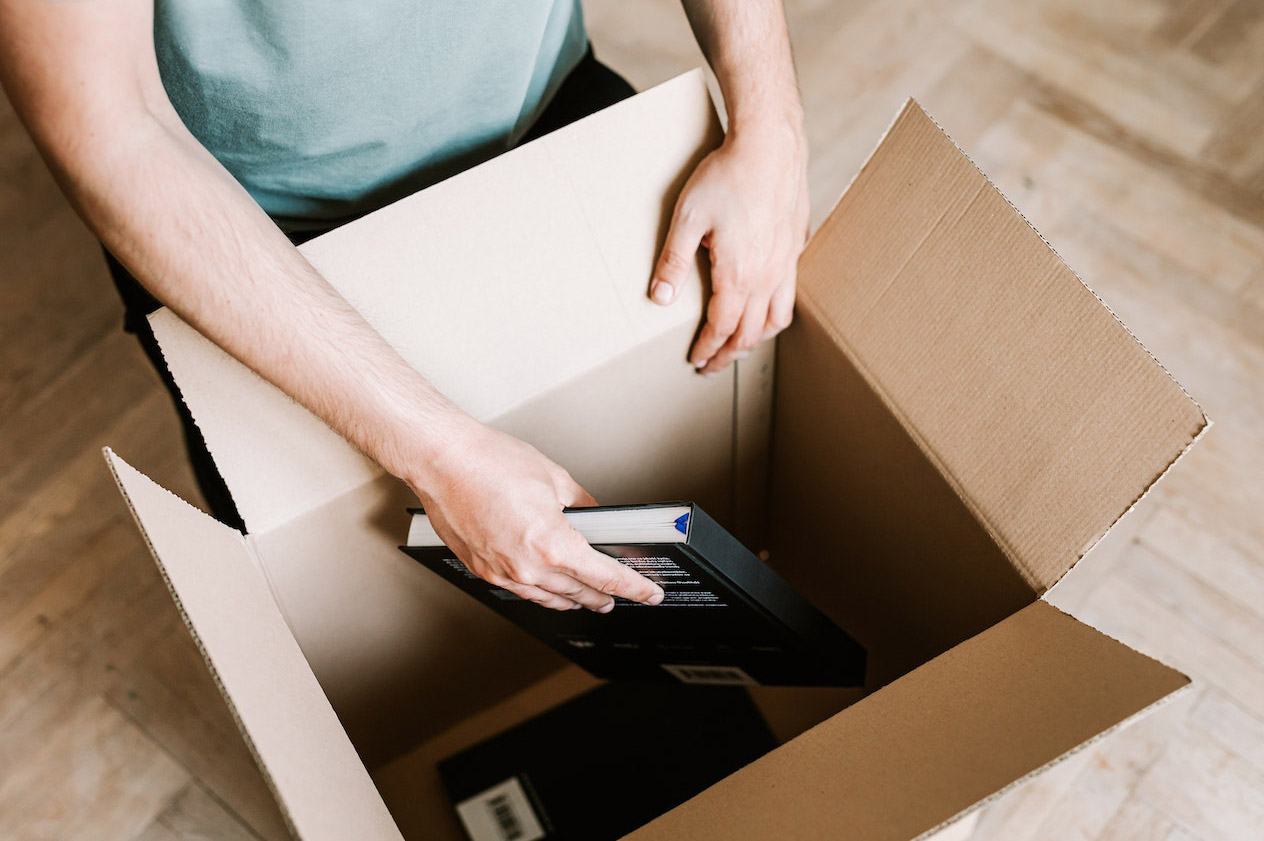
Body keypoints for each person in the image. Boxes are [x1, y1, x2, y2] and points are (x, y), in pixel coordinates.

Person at [0, 0, 809, 615]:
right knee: (334, 593)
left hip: (547, 111)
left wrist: (770, 124)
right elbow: (112, 124)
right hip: (253, 239)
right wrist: (439, 454)